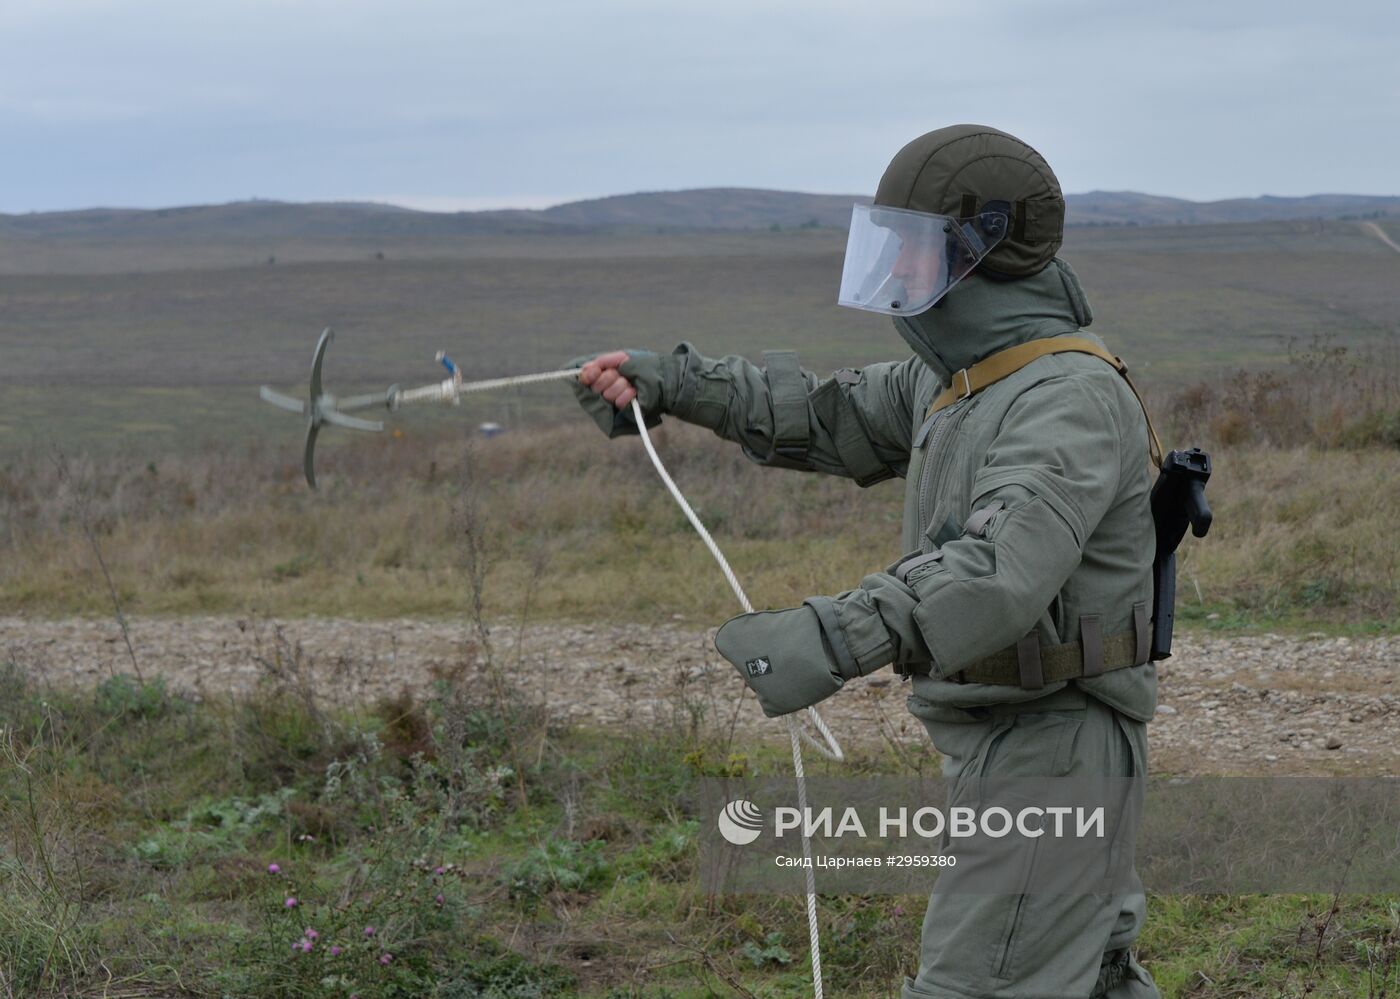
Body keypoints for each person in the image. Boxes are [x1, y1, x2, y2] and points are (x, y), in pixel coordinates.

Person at [572, 124, 1162, 998]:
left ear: (983, 253)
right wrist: (670, 383)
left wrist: (830, 633)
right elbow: (822, 414)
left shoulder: (1066, 398)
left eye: (917, 250)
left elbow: (997, 569)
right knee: (1087, 978)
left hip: (1052, 747)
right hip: (1019, 738)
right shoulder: (964, 378)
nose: (900, 273)